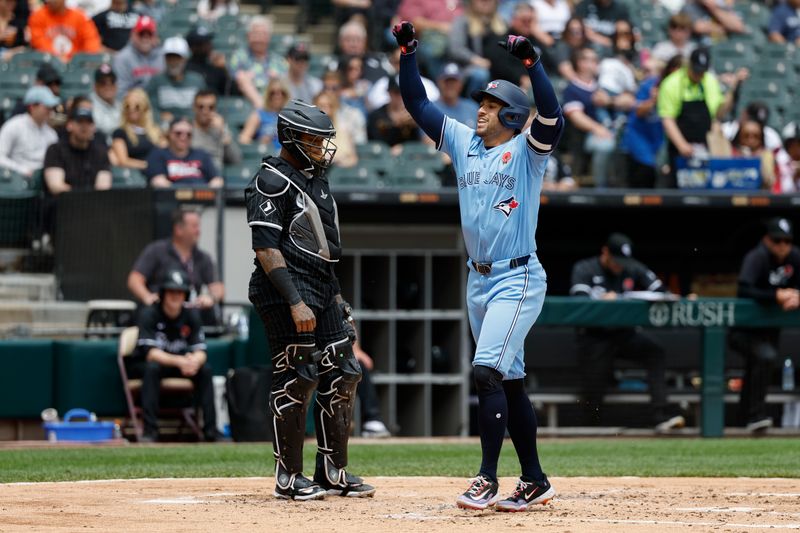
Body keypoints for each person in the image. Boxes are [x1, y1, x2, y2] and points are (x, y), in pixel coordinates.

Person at [395, 22, 561, 511]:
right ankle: (533, 478)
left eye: (488, 106)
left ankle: (487, 478)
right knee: (507, 380)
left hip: (518, 274)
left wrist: (532, 63)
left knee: (486, 371)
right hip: (479, 278)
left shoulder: (527, 152)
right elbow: (417, 105)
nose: (479, 110)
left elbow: (551, 112)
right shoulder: (465, 142)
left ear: (510, 113)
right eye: (480, 104)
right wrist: (408, 53)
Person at [245, 99, 375, 500]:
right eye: (313, 140)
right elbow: (267, 249)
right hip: (284, 291)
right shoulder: (271, 179)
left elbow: (324, 251)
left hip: (321, 286)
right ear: (290, 138)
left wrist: (336, 298)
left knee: (345, 370)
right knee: (297, 377)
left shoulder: (317, 179)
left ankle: (332, 471)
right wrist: (295, 301)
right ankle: (288, 478)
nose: (321, 147)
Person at [569, 233, 685, 431]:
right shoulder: (585, 268)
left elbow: (660, 290)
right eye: (616, 260)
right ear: (605, 252)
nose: (620, 266)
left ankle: (660, 414)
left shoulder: (632, 267)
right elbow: (579, 301)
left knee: (655, 350)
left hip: (624, 334)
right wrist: (601, 300)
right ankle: (590, 430)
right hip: (595, 336)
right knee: (593, 391)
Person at [129, 268, 218, 442]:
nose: (175, 296)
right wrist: (181, 361)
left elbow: (201, 351)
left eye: (179, 292)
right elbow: (151, 354)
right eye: (171, 291)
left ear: (185, 294)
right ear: (163, 293)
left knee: (205, 370)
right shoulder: (149, 313)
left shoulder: (191, 315)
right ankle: (150, 431)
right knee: (152, 369)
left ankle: (210, 431)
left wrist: (194, 362)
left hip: (180, 365)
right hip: (151, 364)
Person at [729, 218, 800, 433]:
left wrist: (797, 295)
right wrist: (776, 295)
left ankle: (746, 417)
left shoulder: (795, 257)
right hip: (743, 330)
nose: (782, 246)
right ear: (767, 240)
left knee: (757, 367)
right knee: (764, 358)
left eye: (787, 241)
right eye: (777, 240)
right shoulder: (757, 257)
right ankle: (755, 416)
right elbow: (744, 290)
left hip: (769, 330)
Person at [127, 207, 225, 326]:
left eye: (199, 226)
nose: (198, 231)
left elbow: (218, 288)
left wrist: (211, 298)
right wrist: (147, 297)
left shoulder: (203, 258)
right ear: (178, 229)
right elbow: (134, 279)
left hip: (190, 318)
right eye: (194, 226)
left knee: (211, 317)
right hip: (160, 315)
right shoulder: (156, 251)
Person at [43, 106, 111, 195]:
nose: (84, 126)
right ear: (69, 125)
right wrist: (82, 199)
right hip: (61, 204)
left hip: (92, 205)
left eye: (89, 122)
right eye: (80, 122)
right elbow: (56, 187)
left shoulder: (100, 152)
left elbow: (103, 187)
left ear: (93, 128)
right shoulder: (55, 150)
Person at [145, 118, 223, 188]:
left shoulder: (202, 154)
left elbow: (216, 180)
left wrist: (205, 192)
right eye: (178, 133)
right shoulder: (158, 154)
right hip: (170, 200)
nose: (183, 137)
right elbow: (158, 181)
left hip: (202, 198)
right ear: (169, 134)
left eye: (188, 134)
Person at [0, 86, 59, 179]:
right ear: (32, 107)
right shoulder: (14, 126)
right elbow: (1, 157)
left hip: (44, 181)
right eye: (46, 107)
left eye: (51, 108)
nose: (50, 111)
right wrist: (20, 169)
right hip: (17, 180)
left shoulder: (51, 133)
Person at [146, 36, 206, 125]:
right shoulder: (156, 81)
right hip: (164, 128)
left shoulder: (197, 81)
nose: (173, 61)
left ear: (185, 59)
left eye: (177, 57)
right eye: (169, 57)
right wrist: (159, 116)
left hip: (192, 127)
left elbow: (204, 107)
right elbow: (150, 110)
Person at [28, 0, 101, 63]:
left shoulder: (79, 16)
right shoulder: (38, 16)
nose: (50, 1)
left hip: (76, 64)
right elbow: (38, 41)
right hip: (47, 63)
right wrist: (58, 58)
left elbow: (91, 40)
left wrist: (83, 59)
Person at [110, 88, 165, 170]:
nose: (131, 110)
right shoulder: (120, 132)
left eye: (137, 106)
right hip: (135, 175)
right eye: (127, 106)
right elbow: (123, 161)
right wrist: (147, 165)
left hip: (157, 172)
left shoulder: (156, 131)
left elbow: (166, 152)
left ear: (145, 108)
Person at [190, 89, 241, 172]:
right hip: (193, 173)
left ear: (216, 109)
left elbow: (235, 159)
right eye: (201, 107)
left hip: (216, 174)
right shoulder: (186, 130)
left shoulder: (220, 129)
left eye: (211, 107)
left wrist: (222, 131)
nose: (205, 111)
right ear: (194, 108)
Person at [113, 15, 164, 97]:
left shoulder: (163, 56)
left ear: (155, 37)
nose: (145, 38)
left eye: (149, 34)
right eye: (141, 34)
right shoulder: (123, 58)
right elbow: (120, 92)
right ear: (133, 35)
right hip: (135, 105)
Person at [90, 64, 122, 141]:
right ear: (95, 86)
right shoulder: (89, 105)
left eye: (112, 82)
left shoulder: (120, 105)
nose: (108, 86)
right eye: (103, 83)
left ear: (116, 85)